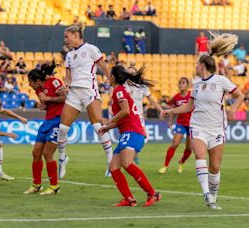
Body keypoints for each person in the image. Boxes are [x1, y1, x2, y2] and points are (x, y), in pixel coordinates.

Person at [161, 32, 244, 209]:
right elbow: (189, 106)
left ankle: (213, 196)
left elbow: (240, 95)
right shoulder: (196, 85)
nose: (195, 67)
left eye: (197, 64)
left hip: (217, 129)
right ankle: (206, 193)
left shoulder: (221, 81)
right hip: (198, 126)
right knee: (199, 155)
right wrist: (171, 111)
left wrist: (233, 109)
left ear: (203, 66)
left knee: (215, 166)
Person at [98, 65, 161, 207]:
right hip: (128, 132)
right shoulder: (120, 91)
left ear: (112, 77)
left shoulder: (119, 91)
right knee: (114, 166)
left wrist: (110, 121)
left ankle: (153, 193)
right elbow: (124, 117)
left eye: (109, 74)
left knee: (126, 163)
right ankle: (128, 198)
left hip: (133, 132)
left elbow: (125, 111)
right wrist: (108, 127)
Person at [57, 22, 113, 177]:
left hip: (89, 91)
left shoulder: (91, 49)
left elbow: (104, 67)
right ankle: (62, 159)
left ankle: (110, 161)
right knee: (63, 129)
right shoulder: (68, 55)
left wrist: (113, 84)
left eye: (66, 37)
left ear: (76, 36)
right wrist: (65, 87)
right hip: (74, 94)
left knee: (97, 126)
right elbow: (68, 78)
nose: (65, 40)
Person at [24, 62, 66, 195]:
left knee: (47, 153)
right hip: (47, 121)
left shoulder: (54, 82)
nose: (29, 85)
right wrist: (44, 106)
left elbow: (65, 97)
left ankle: (54, 186)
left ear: (37, 81)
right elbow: (49, 104)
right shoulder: (38, 90)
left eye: (31, 82)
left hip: (58, 121)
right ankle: (37, 185)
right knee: (36, 153)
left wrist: (48, 98)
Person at [124, 66, 163, 164]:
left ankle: (134, 154)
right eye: (128, 73)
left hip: (139, 117)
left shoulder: (142, 86)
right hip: (127, 117)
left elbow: (151, 100)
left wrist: (161, 110)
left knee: (144, 139)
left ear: (136, 74)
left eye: (132, 72)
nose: (130, 74)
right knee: (129, 139)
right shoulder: (123, 86)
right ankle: (124, 159)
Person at [159, 77, 192, 174]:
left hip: (191, 124)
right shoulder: (176, 97)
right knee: (175, 144)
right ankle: (165, 166)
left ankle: (181, 162)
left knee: (189, 148)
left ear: (187, 85)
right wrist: (170, 120)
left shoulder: (191, 96)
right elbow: (174, 110)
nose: (181, 84)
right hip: (181, 123)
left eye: (183, 83)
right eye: (180, 83)